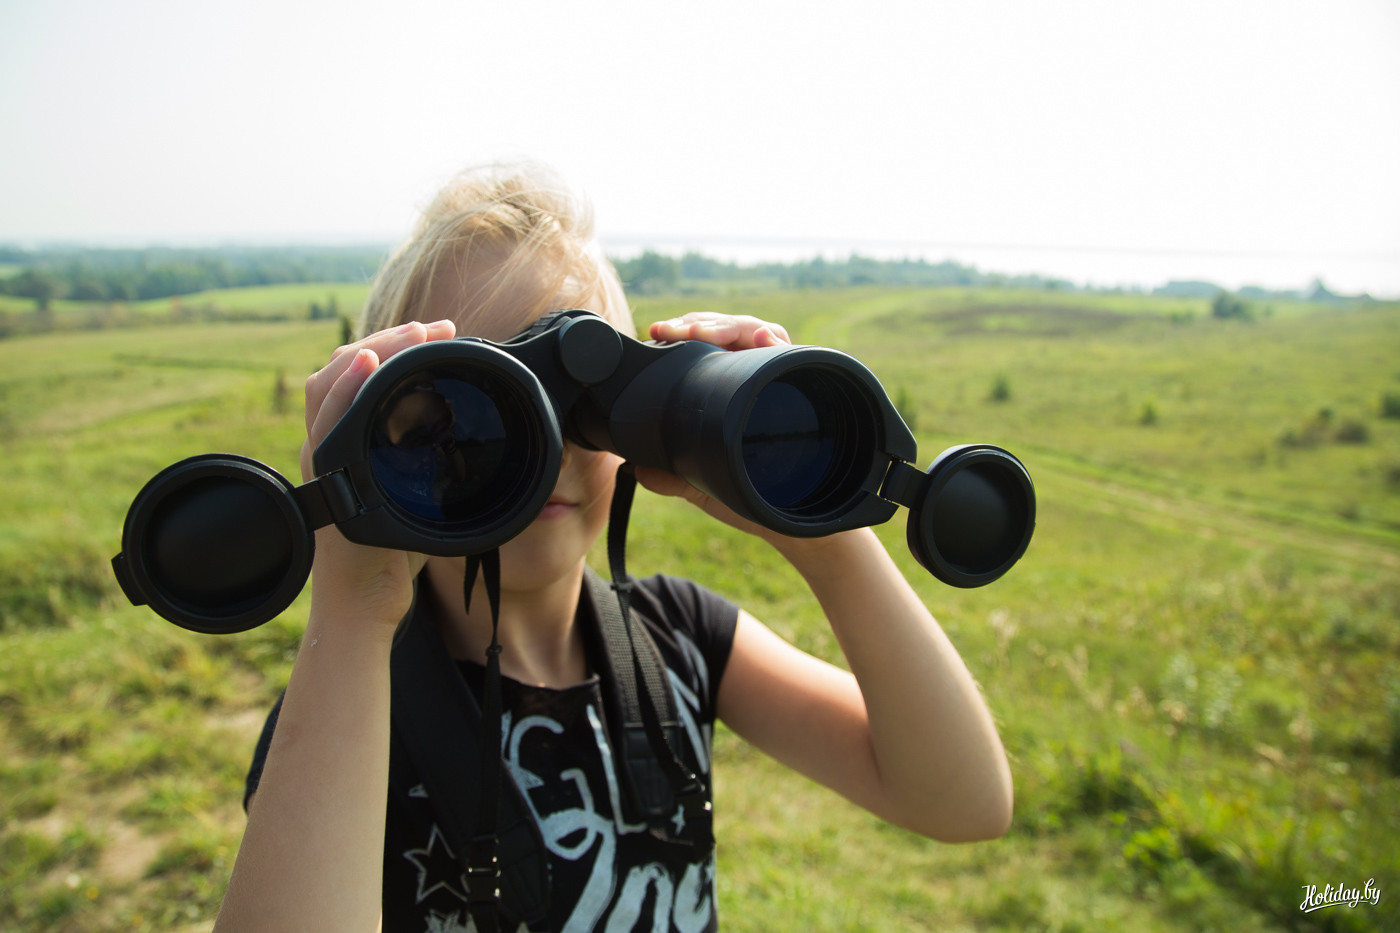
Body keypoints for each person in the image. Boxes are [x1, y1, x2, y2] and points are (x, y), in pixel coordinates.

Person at [214, 162, 1012, 933]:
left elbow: (961, 801)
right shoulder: (353, 702)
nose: (551, 450)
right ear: (379, 432)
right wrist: (353, 609)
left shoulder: (680, 638)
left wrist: (816, 519)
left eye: (589, 409)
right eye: (466, 407)